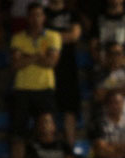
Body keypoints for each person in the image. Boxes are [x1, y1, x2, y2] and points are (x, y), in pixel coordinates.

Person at [8, 2, 61, 158]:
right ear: (27, 18)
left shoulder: (53, 36)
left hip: (45, 89)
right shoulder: (18, 38)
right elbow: (16, 64)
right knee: (18, 137)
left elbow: (51, 62)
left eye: (39, 15)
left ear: (43, 17)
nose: (36, 19)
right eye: (32, 15)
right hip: (22, 90)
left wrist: (27, 56)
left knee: (47, 132)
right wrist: (39, 55)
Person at [44, 0, 81, 146]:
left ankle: (69, 148)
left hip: (68, 67)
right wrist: (63, 37)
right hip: (47, 67)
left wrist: (51, 38)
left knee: (69, 109)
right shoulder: (43, 12)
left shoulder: (72, 14)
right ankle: (48, 147)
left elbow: (74, 35)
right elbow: (39, 37)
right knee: (47, 109)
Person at [89, 0, 125, 65]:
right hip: (102, 63)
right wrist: (102, 61)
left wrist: (124, 60)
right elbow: (93, 46)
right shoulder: (98, 19)